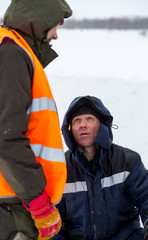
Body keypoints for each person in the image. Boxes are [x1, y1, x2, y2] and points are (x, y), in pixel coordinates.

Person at [0, 0, 72, 239]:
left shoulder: (14, 51)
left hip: (17, 200)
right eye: (55, 25)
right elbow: (6, 136)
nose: (56, 34)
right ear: (38, 18)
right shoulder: (11, 54)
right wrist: (39, 204)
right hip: (15, 207)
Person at [53, 95, 148, 240]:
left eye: (89, 119)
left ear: (102, 124)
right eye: (77, 121)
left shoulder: (127, 161)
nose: (82, 125)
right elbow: (52, 219)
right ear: (70, 129)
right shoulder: (60, 168)